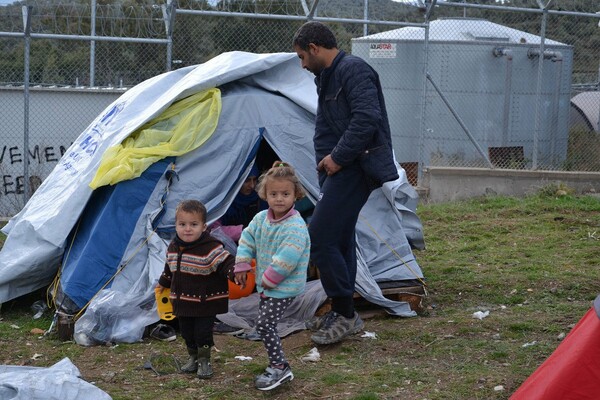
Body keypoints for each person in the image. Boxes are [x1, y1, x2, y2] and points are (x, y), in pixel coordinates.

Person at [292, 22, 399, 345]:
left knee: (320, 236)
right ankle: (343, 311)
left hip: (354, 167)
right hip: (338, 170)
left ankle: (345, 312)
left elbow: (368, 118)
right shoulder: (326, 76)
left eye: (301, 56)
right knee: (339, 237)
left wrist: (337, 157)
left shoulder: (353, 70)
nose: (301, 64)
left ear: (314, 47)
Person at [233, 161, 311, 391]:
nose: (279, 198)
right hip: (266, 286)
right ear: (265, 194)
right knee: (266, 324)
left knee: (265, 324)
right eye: (274, 193)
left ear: (296, 195)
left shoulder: (295, 226)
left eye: (285, 194)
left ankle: (280, 367)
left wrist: (268, 279)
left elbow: (287, 259)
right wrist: (243, 264)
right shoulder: (261, 219)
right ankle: (277, 364)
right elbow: (247, 239)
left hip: (284, 286)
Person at [156, 199, 235, 379]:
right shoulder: (174, 246)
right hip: (182, 301)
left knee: (202, 333)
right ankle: (193, 358)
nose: (187, 229)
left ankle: (204, 361)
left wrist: (236, 272)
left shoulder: (210, 247)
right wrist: (163, 282)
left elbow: (226, 262)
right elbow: (170, 268)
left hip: (204, 302)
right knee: (186, 332)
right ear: (175, 225)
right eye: (182, 224)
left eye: (193, 224)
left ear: (204, 226)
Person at [212, 164, 267, 243]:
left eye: (254, 179)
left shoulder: (261, 198)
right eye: (246, 180)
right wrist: (242, 231)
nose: (252, 185)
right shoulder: (223, 202)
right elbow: (214, 230)